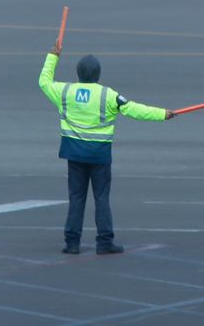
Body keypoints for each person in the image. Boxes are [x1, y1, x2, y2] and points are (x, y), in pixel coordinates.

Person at [38, 41, 173, 254]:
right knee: (101, 198)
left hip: (74, 155)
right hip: (99, 157)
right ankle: (104, 241)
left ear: (78, 73)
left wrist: (52, 57)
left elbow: (44, 82)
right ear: (98, 74)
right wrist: (162, 114)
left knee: (76, 198)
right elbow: (135, 109)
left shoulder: (65, 92)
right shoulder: (108, 95)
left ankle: (72, 243)